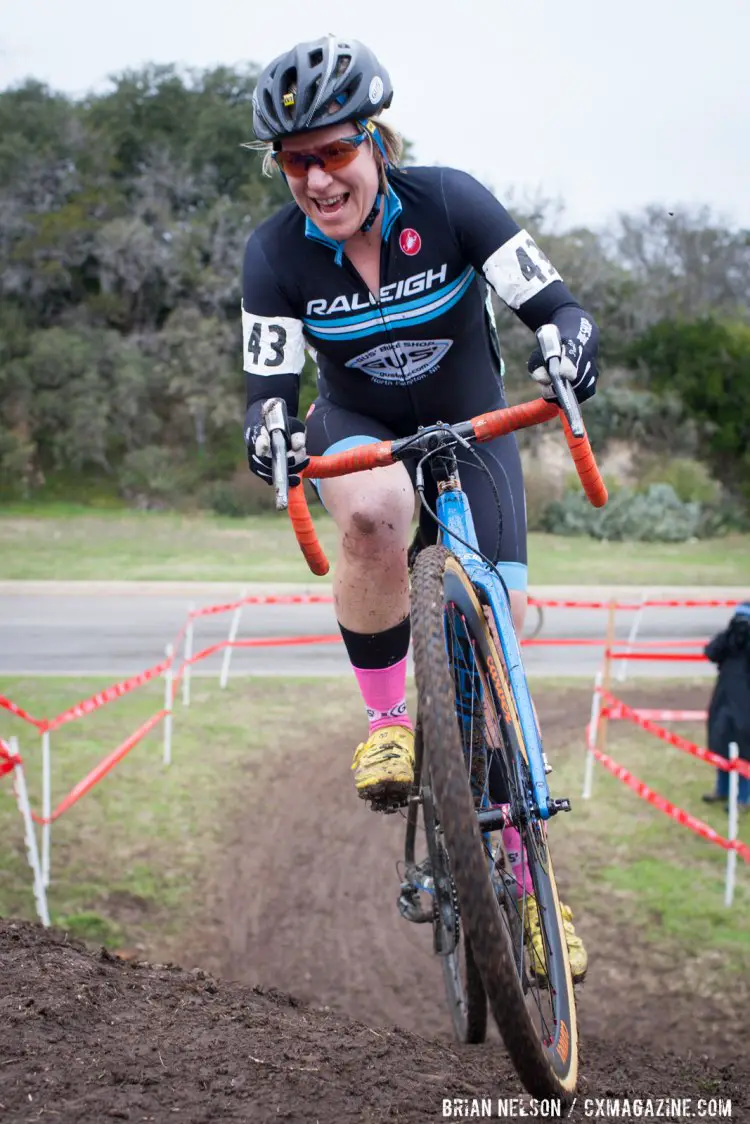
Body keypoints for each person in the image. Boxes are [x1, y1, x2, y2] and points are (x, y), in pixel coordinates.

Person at [242, 35, 599, 980]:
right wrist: (268, 431)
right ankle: (389, 721)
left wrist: (568, 349)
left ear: (374, 140)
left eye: (332, 151)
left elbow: (557, 307)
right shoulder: (274, 253)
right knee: (368, 517)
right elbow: (268, 388)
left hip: (476, 425)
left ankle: (529, 887)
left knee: (495, 673)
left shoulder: (450, 202)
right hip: (362, 425)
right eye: (294, 160)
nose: (317, 179)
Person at [702, 602, 750, 812]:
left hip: (746, 704)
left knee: (746, 751)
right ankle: (722, 789)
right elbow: (711, 651)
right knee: (720, 743)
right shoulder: (728, 642)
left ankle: (744, 798)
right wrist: (730, 634)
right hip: (723, 699)